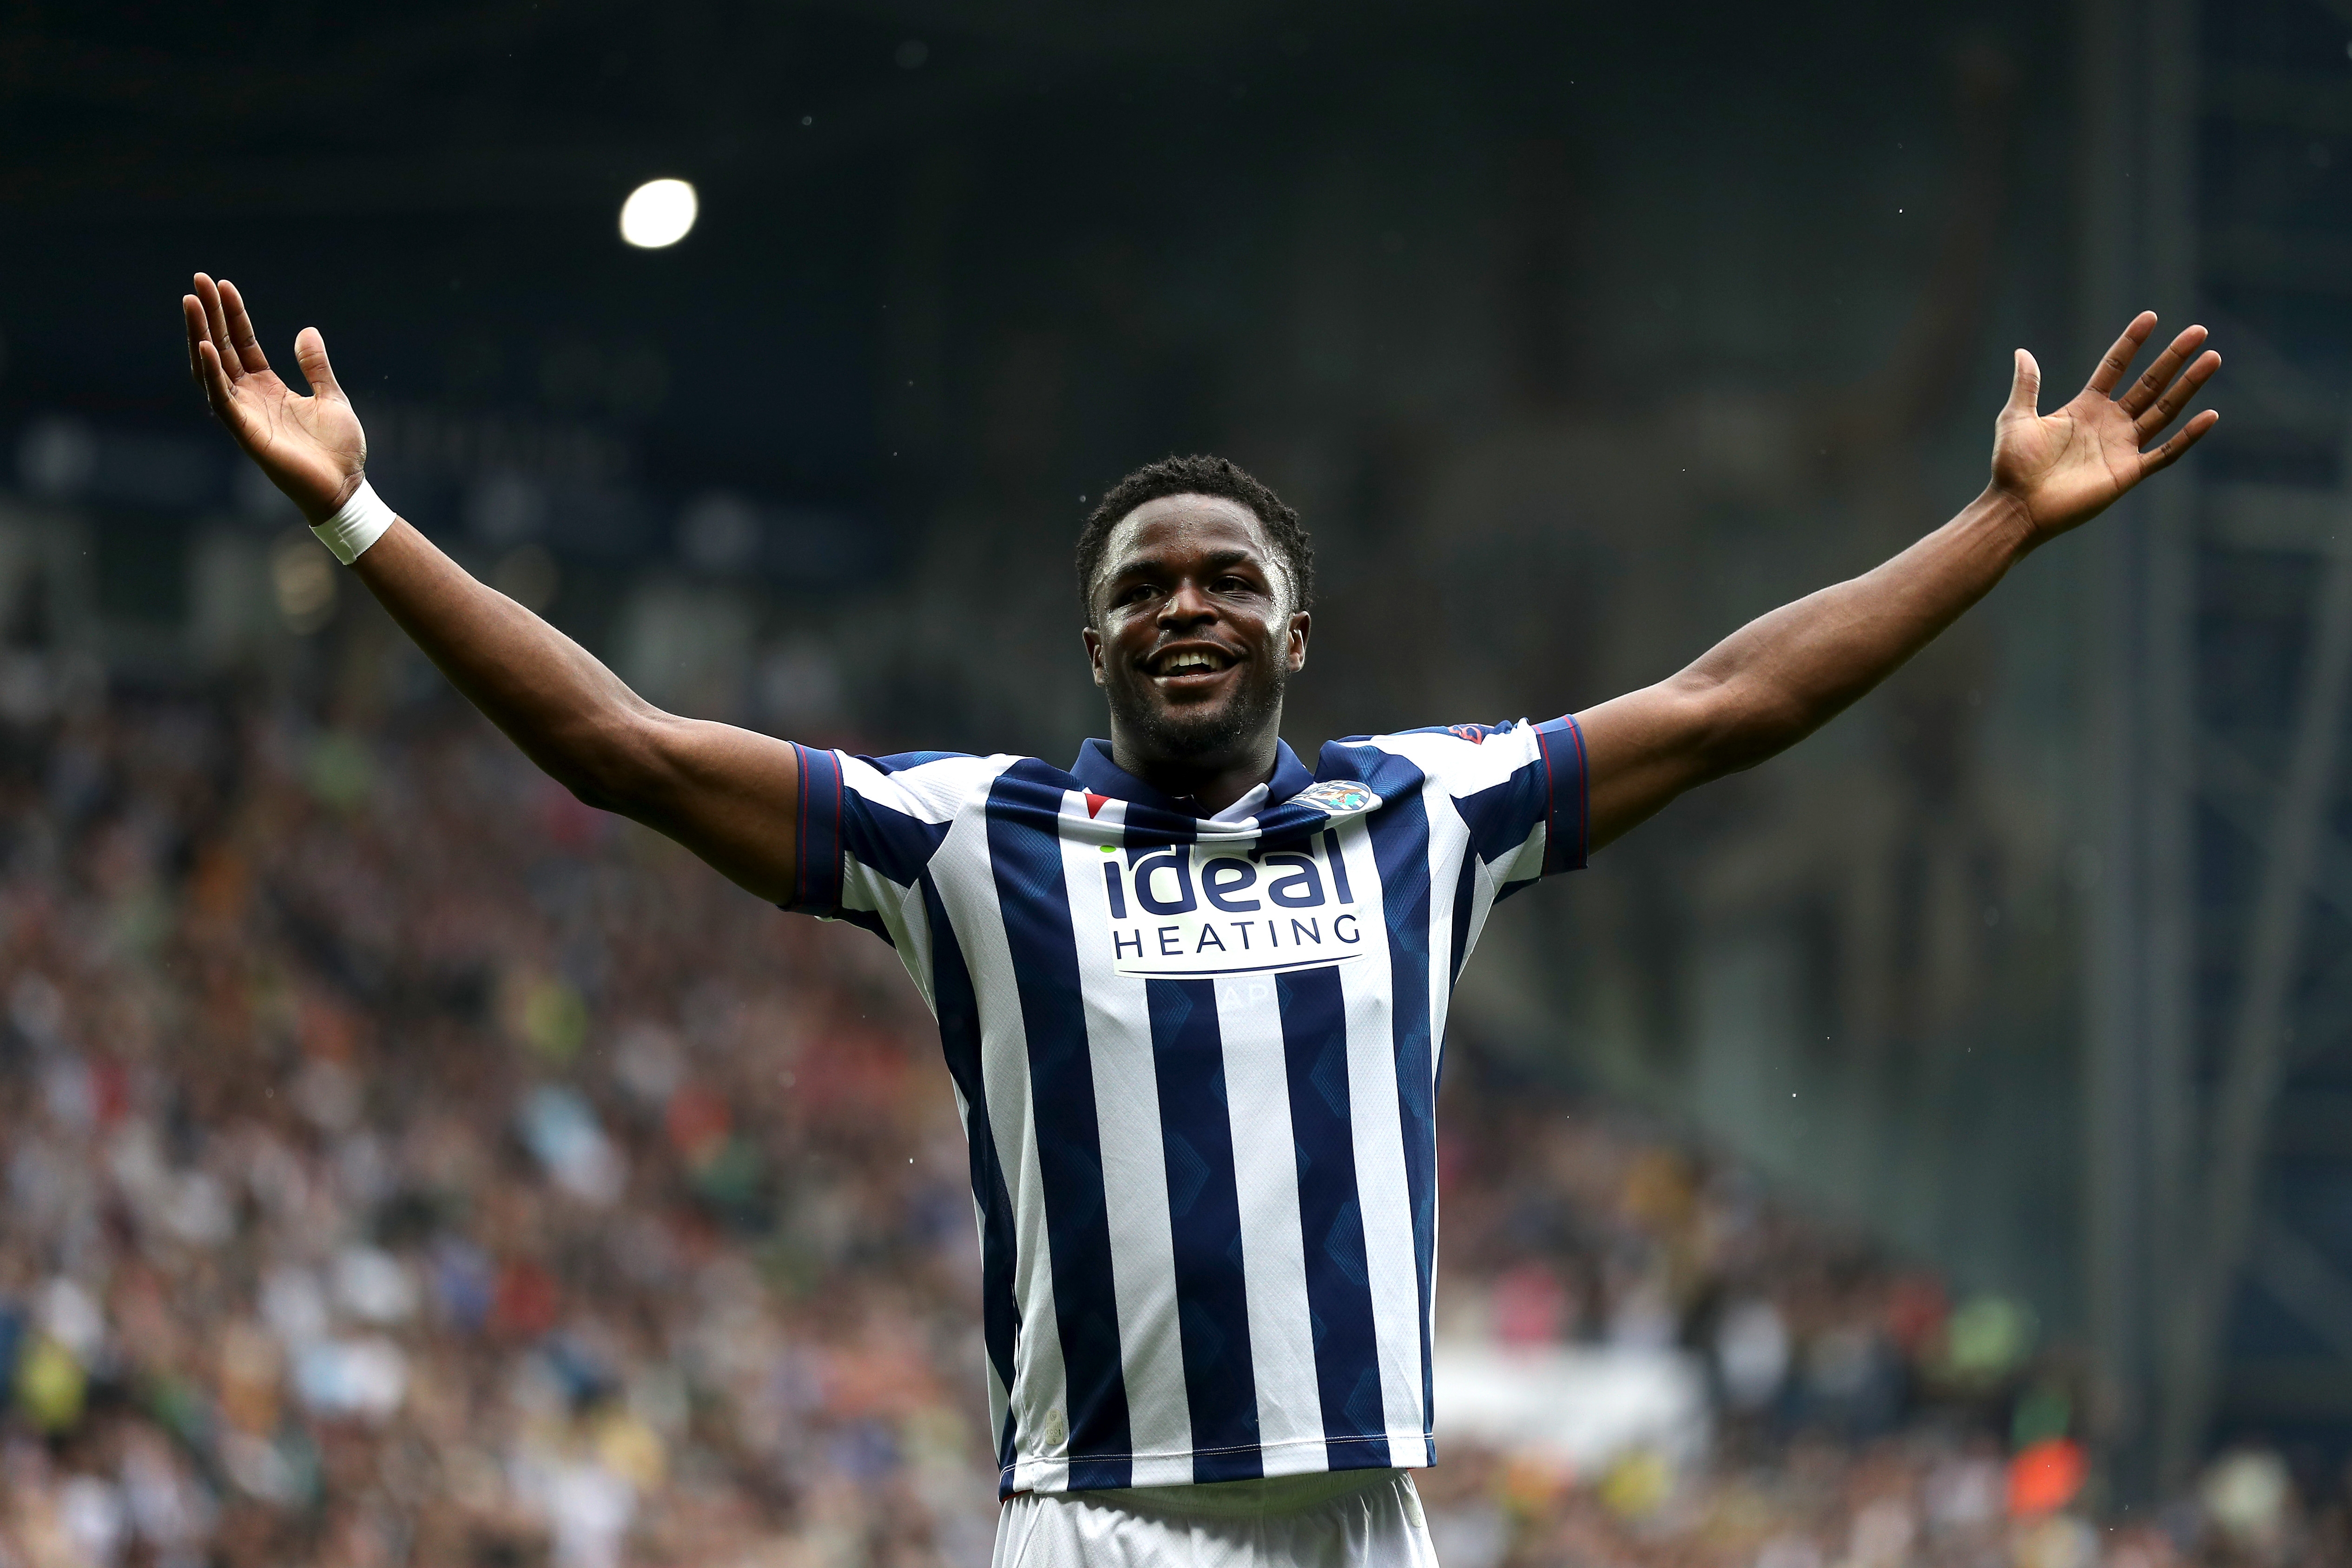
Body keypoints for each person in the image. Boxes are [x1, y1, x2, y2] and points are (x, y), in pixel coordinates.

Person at [180, 273, 2218, 1567]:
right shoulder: (963, 837)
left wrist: (2001, 522)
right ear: (1090, 641)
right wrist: (357, 515)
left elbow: (1729, 699)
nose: (1185, 605)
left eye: (1224, 579)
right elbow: (620, 742)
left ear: (1292, 631)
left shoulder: (1428, 811)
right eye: (1145, 586)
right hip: (1092, 1523)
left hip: (1363, 1513)